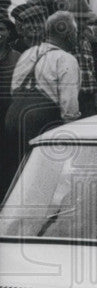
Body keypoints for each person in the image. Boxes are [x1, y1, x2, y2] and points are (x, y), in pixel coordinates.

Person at [3, 12, 81, 189]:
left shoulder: (29, 53)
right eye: (75, 32)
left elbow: (14, 89)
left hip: (14, 118)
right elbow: (69, 106)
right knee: (44, 177)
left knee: (18, 172)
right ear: (68, 34)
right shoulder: (66, 59)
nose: (76, 36)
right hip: (41, 123)